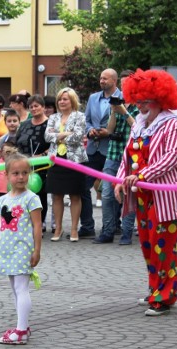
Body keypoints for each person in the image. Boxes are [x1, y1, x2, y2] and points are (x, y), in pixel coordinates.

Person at [114, 69, 177, 316]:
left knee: (168, 247)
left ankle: (165, 296)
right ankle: (155, 288)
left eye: (145, 101)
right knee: (149, 244)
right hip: (143, 196)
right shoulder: (139, 124)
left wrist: (141, 176)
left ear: (160, 99)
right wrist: (119, 180)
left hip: (167, 197)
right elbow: (128, 156)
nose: (140, 105)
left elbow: (172, 157)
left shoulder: (173, 125)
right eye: (137, 100)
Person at [0, 152, 42, 345]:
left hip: (22, 250)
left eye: (25, 173)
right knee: (15, 289)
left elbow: (37, 226)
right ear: (7, 174)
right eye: (16, 173)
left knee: (21, 288)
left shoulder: (32, 199)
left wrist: (36, 250)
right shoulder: (3, 200)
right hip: (5, 250)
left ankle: (20, 331)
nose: (21, 177)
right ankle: (22, 325)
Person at [94, 70, 139, 245]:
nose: (125, 87)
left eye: (129, 83)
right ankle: (108, 231)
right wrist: (114, 111)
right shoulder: (117, 101)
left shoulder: (139, 105)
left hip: (132, 156)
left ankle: (127, 232)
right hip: (113, 153)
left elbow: (138, 128)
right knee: (106, 194)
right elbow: (110, 130)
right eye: (123, 83)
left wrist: (125, 112)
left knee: (129, 194)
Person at [80, 69, 122, 239]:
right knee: (83, 186)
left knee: (110, 189)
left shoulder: (122, 98)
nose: (102, 81)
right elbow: (87, 119)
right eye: (100, 78)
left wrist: (108, 133)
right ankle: (87, 225)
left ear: (114, 80)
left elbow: (124, 123)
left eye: (105, 78)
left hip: (111, 148)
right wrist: (90, 130)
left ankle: (112, 225)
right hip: (92, 149)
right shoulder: (93, 98)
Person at [44, 87, 87, 242]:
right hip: (56, 160)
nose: (62, 102)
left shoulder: (79, 116)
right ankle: (58, 229)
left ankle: (74, 229)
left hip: (74, 160)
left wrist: (58, 136)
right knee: (56, 195)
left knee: (75, 195)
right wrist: (63, 135)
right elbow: (47, 136)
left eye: (65, 99)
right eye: (60, 99)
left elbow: (78, 137)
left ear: (72, 101)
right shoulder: (53, 117)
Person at [14, 95, 50, 224]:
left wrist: (42, 155)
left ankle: (40, 222)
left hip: (41, 165)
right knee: (22, 192)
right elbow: (16, 142)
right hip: (23, 163)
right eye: (31, 107)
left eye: (36, 106)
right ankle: (24, 220)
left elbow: (54, 145)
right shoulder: (24, 125)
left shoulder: (50, 124)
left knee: (39, 193)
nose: (34, 109)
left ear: (43, 107)